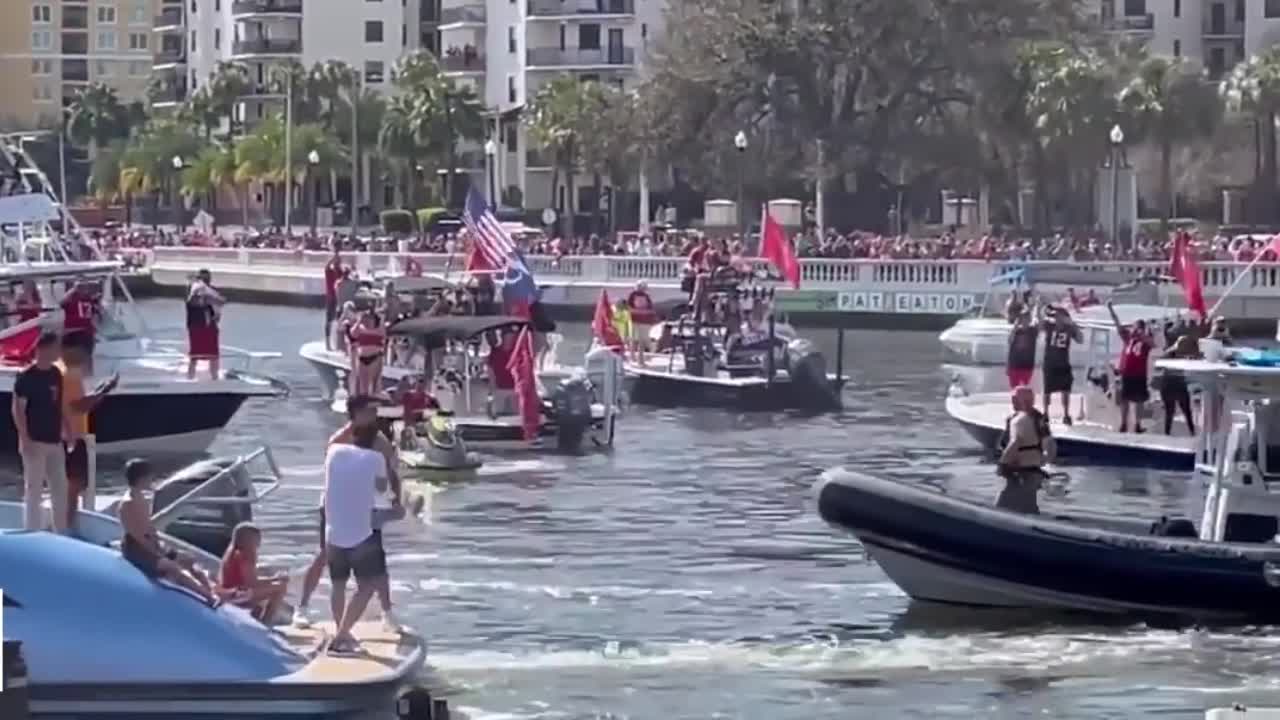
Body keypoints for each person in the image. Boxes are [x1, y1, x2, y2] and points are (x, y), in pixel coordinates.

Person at [293, 396, 423, 631]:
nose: (374, 415)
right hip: (334, 505)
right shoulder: (340, 439)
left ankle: (387, 613)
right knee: (324, 555)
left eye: (374, 411)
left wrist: (396, 501)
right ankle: (302, 608)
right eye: (368, 411)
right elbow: (331, 459)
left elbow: (392, 473)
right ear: (355, 414)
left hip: (368, 507)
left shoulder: (380, 441)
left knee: (377, 562)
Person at [322, 421, 390, 653]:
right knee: (367, 586)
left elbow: (336, 437)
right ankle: (341, 635)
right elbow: (381, 489)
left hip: (332, 531)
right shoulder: (376, 458)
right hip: (360, 532)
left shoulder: (333, 451)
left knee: (338, 584)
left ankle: (342, 632)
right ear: (376, 442)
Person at [118, 458, 219, 605]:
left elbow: (149, 528)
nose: (152, 480)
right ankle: (208, 597)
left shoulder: (142, 498)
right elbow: (138, 536)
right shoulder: (128, 504)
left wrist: (163, 547)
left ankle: (210, 591)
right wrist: (159, 554)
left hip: (151, 544)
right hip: (137, 550)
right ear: (141, 478)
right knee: (173, 567)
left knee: (189, 560)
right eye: (149, 476)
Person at [58, 332, 118, 532]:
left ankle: (66, 524)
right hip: (72, 436)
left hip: (65, 435)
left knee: (70, 486)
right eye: (85, 352)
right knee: (73, 487)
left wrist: (100, 389)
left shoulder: (60, 370)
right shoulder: (69, 374)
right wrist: (105, 391)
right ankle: (67, 528)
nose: (86, 357)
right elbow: (78, 406)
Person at [13, 332, 69, 532]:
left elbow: (59, 405)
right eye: (55, 347)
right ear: (44, 349)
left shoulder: (56, 373)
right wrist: (25, 438)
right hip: (34, 440)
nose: (58, 351)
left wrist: (67, 429)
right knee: (34, 489)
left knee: (59, 489)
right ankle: (32, 531)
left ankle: (60, 531)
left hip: (54, 439)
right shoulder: (27, 377)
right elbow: (18, 410)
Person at [996, 386, 1056, 514]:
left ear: (1022, 400)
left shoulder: (1019, 420)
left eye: (1015, 398)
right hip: (1032, 472)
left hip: (1020, 473)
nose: (1012, 401)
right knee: (1029, 506)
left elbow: (1014, 443)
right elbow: (1050, 445)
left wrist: (1002, 464)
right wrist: (1044, 460)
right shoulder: (1038, 418)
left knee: (1002, 506)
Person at [219, 522, 288, 622]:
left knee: (266, 578)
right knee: (280, 587)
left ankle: (257, 616)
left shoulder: (231, 552)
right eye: (257, 538)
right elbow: (252, 583)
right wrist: (276, 578)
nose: (259, 542)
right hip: (235, 596)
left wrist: (271, 579)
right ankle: (266, 621)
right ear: (247, 540)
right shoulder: (245, 555)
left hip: (229, 592)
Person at [1108, 301, 1153, 433]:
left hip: (1139, 374)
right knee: (1124, 399)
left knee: (1139, 400)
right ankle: (1123, 423)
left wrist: (1142, 335)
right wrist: (1111, 310)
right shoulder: (1128, 338)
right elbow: (1118, 325)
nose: (1136, 330)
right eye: (1136, 327)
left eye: (1139, 327)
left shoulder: (1145, 341)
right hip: (1126, 373)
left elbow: (1153, 343)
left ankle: (1137, 424)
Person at [1040, 305, 1081, 425]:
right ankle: (1046, 413)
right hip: (1050, 363)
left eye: (1059, 316)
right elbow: (1040, 323)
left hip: (1063, 363)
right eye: (1056, 316)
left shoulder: (1069, 328)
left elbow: (1080, 339)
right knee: (1047, 391)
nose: (1057, 318)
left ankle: (1066, 414)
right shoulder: (1049, 326)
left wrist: (1073, 324)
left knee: (1065, 390)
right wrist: (1039, 308)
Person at [186, 269, 225, 380]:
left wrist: (210, 297)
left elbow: (221, 301)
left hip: (209, 327)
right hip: (196, 326)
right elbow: (193, 301)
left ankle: (214, 378)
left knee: (213, 355)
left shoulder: (210, 292)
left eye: (207, 278)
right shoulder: (193, 294)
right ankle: (190, 378)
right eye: (203, 278)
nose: (205, 281)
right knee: (194, 356)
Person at [1159, 334, 1198, 436]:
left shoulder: (1183, 354)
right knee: (1172, 412)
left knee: (1185, 411)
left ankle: (1191, 431)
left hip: (1175, 384)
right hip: (1170, 384)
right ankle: (1168, 433)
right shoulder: (1171, 353)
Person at [348, 310, 385, 397]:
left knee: (375, 384)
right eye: (366, 319)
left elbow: (384, 333)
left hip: (375, 357)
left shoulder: (379, 329)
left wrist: (379, 320)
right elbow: (353, 334)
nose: (367, 321)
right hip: (362, 358)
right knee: (363, 384)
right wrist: (359, 321)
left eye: (370, 319)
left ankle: (374, 398)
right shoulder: (360, 328)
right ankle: (363, 400)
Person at [1005, 310, 1038, 390]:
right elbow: (1009, 340)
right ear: (1020, 320)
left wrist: (1038, 307)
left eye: (1027, 319)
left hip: (1027, 366)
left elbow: (1038, 321)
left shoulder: (1032, 330)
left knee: (1025, 390)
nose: (1025, 321)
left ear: (1029, 320)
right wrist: (1015, 327)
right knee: (1014, 391)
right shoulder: (1016, 331)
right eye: (1023, 319)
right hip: (1014, 365)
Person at [627, 280, 657, 363]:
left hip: (644, 322)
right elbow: (628, 307)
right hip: (635, 321)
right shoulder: (632, 295)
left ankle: (640, 359)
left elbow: (651, 309)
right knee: (633, 339)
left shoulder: (646, 296)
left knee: (641, 341)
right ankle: (633, 358)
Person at [323, 243, 344, 349]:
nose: (338, 262)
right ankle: (327, 342)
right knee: (329, 320)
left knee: (340, 319)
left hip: (339, 298)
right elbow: (326, 266)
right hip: (331, 297)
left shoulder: (340, 272)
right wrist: (333, 257)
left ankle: (338, 342)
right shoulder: (329, 271)